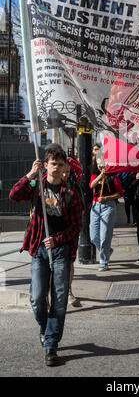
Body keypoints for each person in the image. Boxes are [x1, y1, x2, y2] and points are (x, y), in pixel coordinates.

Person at [9, 147, 83, 366]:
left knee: (59, 299)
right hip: (39, 248)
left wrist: (58, 239)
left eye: (61, 164)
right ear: (46, 164)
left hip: (61, 250)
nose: (57, 167)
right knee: (37, 297)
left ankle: (51, 343)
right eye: (53, 163)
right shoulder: (37, 186)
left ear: (65, 168)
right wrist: (31, 175)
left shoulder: (71, 192)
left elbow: (77, 226)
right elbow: (14, 195)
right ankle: (45, 326)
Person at [89, 157, 123, 271]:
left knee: (105, 236)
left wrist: (107, 198)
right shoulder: (95, 175)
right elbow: (91, 185)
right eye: (99, 165)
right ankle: (107, 251)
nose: (100, 167)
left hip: (108, 206)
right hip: (95, 206)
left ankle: (104, 261)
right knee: (93, 236)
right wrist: (101, 175)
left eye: (102, 164)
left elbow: (119, 193)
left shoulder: (114, 177)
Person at [62, 160, 83, 307]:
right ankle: (47, 295)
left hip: (68, 233)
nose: (64, 175)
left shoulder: (74, 187)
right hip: (50, 235)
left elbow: (81, 210)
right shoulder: (43, 185)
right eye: (63, 171)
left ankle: (68, 290)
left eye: (68, 172)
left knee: (69, 263)